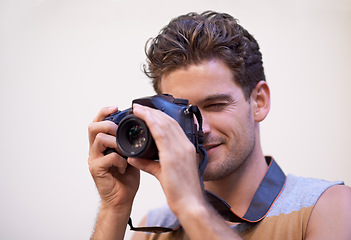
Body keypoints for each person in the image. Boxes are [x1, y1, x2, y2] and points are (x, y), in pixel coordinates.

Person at [88, 11, 351, 240]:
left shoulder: (328, 207)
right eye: (183, 113)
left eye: (215, 105)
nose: (200, 128)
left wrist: (191, 205)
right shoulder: (155, 226)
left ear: (258, 102)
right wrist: (115, 208)